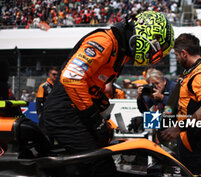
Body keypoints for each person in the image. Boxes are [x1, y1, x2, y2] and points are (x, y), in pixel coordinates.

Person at [43, 11, 174, 154]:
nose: (152, 56)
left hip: (75, 113)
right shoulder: (104, 41)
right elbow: (72, 78)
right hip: (64, 113)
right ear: (145, 33)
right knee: (100, 168)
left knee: (105, 154)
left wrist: (100, 101)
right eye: (155, 48)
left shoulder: (120, 51)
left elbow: (90, 82)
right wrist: (94, 118)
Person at [161, 33, 201, 175]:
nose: (177, 58)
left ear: (184, 53)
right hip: (188, 137)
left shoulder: (200, 74)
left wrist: (178, 126)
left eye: (176, 55)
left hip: (193, 140)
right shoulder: (192, 70)